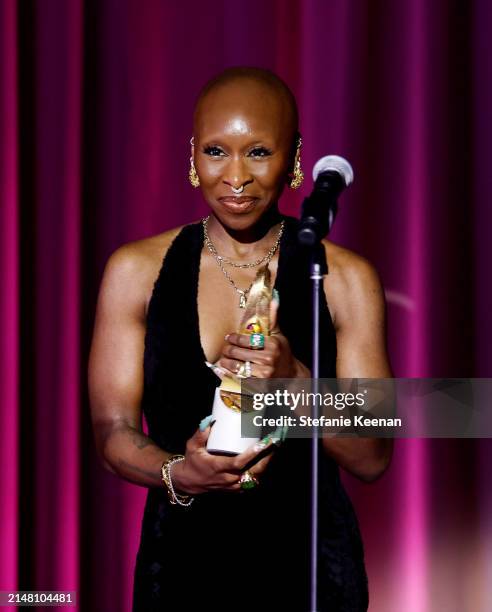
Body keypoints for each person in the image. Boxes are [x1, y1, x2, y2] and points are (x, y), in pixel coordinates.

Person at [88, 66, 393, 611]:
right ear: (191, 156)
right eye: (215, 151)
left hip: (311, 574)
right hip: (180, 571)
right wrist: (178, 471)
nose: (236, 176)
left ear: (295, 158)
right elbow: (111, 430)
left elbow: (372, 455)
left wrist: (296, 382)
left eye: (257, 152)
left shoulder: (343, 278)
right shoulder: (136, 270)